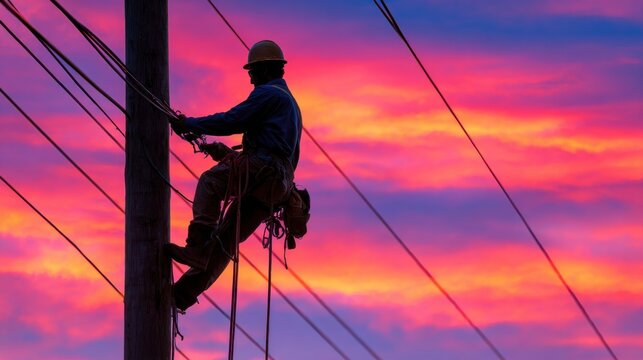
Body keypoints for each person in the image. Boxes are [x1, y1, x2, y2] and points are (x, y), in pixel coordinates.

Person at [167, 40, 302, 311]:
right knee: (224, 240)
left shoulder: (269, 95)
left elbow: (232, 120)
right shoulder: (289, 104)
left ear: (265, 69)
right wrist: (224, 153)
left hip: (265, 170)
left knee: (210, 182)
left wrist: (189, 123)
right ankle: (182, 294)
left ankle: (195, 245)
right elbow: (271, 148)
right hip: (276, 186)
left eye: (252, 71)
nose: (250, 77)